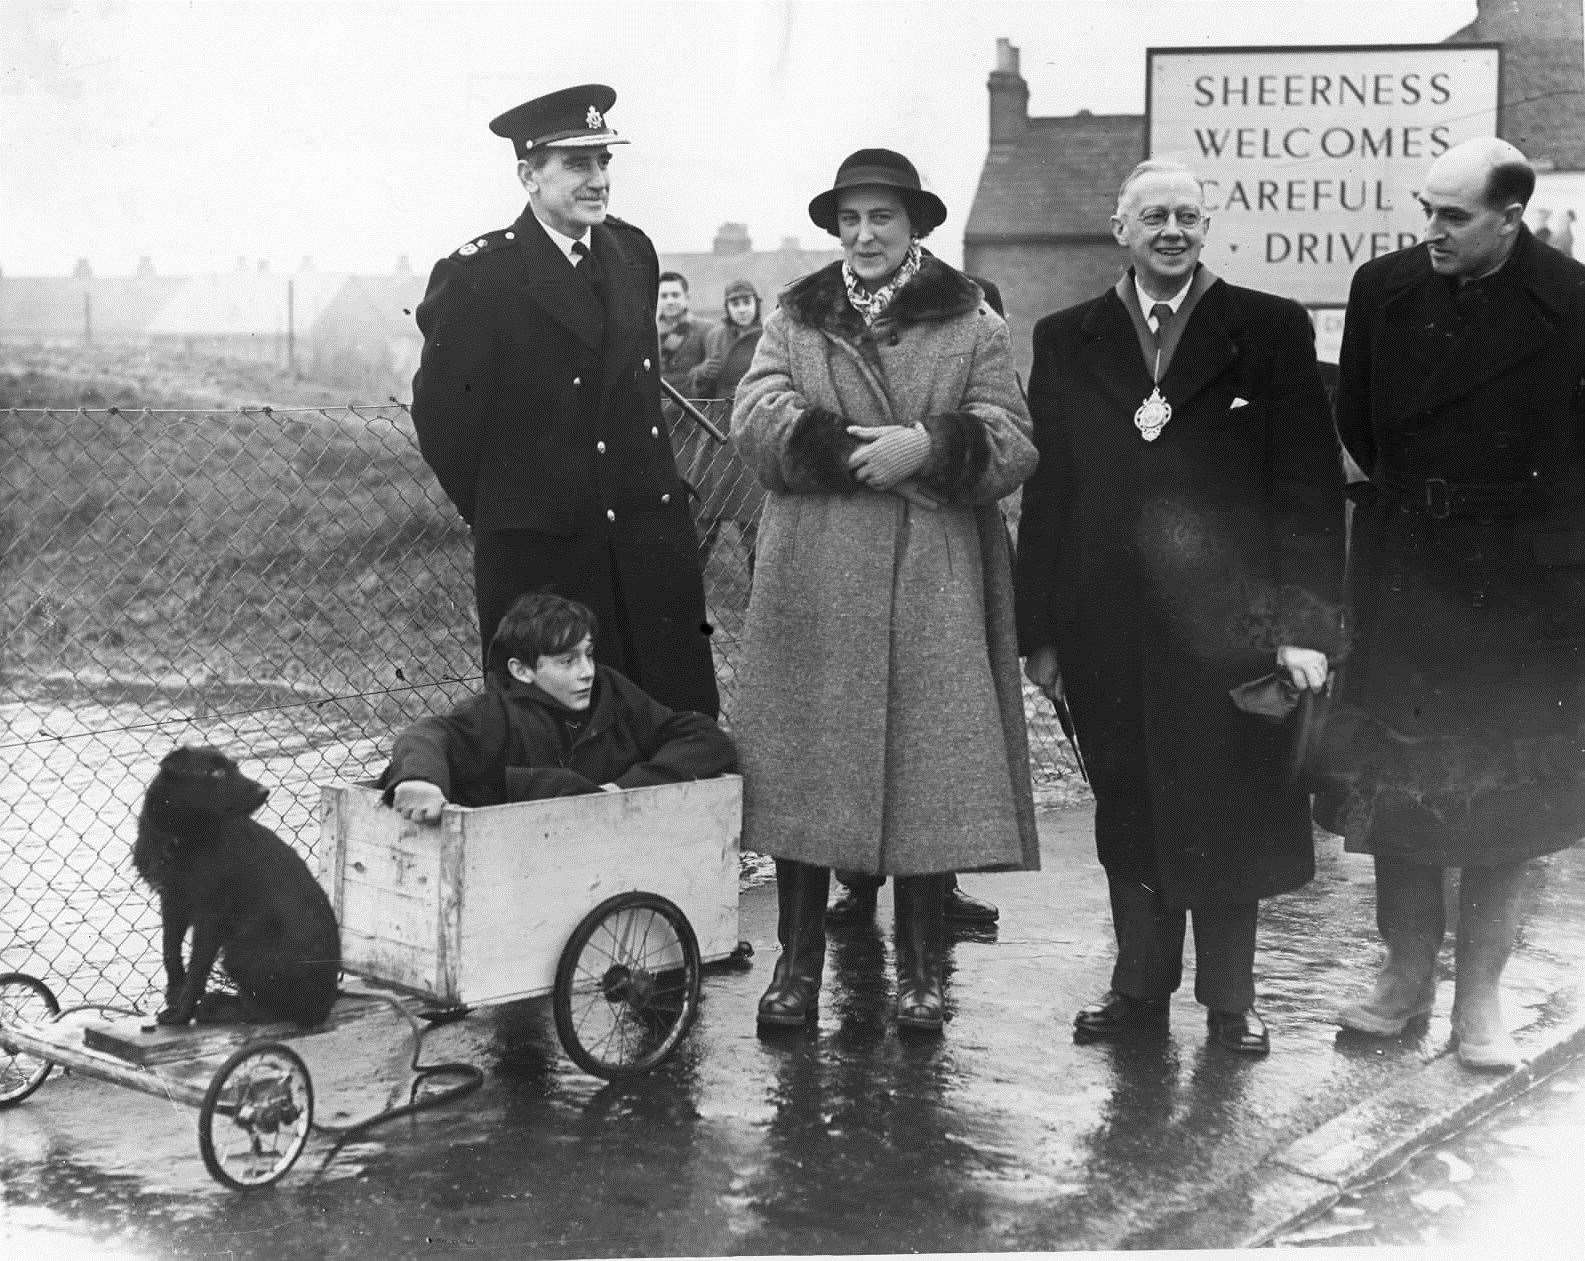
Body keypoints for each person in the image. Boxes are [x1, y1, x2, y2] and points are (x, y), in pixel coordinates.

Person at [1015, 158, 1346, 1057]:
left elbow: (1307, 491)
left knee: (1228, 805)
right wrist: (1038, 633)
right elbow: (1048, 493)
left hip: (1230, 632)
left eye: (1187, 216)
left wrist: (1305, 628)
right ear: (1118, 230)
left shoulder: (1267, 330)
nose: (1170, 229)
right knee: (1128, 804)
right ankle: (1137, 988)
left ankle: (1231, 1002)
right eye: (1152, 215)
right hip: (1106, 625)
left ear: (1207, 231)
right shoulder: (1067, 336)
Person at [732, 148, 1040, 1035]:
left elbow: (1013, 438)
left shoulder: (970, 320)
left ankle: (918, 970)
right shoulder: (796, 315)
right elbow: (754, 417)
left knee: (925, 773)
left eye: (883, 219)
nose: (863, 236)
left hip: (929, 571)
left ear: (916, 227)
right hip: (815, 573)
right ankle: (796, 968)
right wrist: (845, 450)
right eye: (850, 219)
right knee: (802, 770)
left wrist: (933, 446)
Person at [1327, 137, 1585, 1071]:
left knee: (1503, 803)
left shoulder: (1572, 303)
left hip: (1525, 590)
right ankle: (1403, 975)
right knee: (1400, 785)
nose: (1428, 230)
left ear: (1510, 217)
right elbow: (1356, 419)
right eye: (1424, 209)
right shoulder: (1382, 288)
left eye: (1453, 216)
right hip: (1408, 572)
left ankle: (1479, 994)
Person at [409, 84, 719, 718]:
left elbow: (632, 402)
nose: (599, 179)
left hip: (646, 542)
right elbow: (441, 418)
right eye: (578, 164)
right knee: (553, 747)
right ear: (529, 176)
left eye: (604, 162)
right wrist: (506, 512)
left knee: (669, 731)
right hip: (546, 554)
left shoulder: (632, 254)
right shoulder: (479, 275)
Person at [381, 591, 736, 820]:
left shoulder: (611, 691)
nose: (586, 672)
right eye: (567, 661)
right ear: (522, 671)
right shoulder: (499, 712)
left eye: (589, 655)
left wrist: (623, 790)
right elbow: (427, 734)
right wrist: (421, 780)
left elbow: (702, 737)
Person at [682, 280, 769, 569]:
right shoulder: (716, 335)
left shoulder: (768, 336)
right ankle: (689, 594)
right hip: (717, 434)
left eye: (746, 302)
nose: (742, 309)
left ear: (756, 303)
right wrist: (702, 375)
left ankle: (758, 597)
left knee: (753, 522)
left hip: (752, 430)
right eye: (735, 303)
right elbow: (701, 394)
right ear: (727, 307)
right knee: (703, 518)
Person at [657, 272, 711, 397]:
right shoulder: (648, 333)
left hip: (694, 411)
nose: (670, 301)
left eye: (675, 295)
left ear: (687, 298)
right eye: (664, 296)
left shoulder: (706, 330)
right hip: (657, 411)